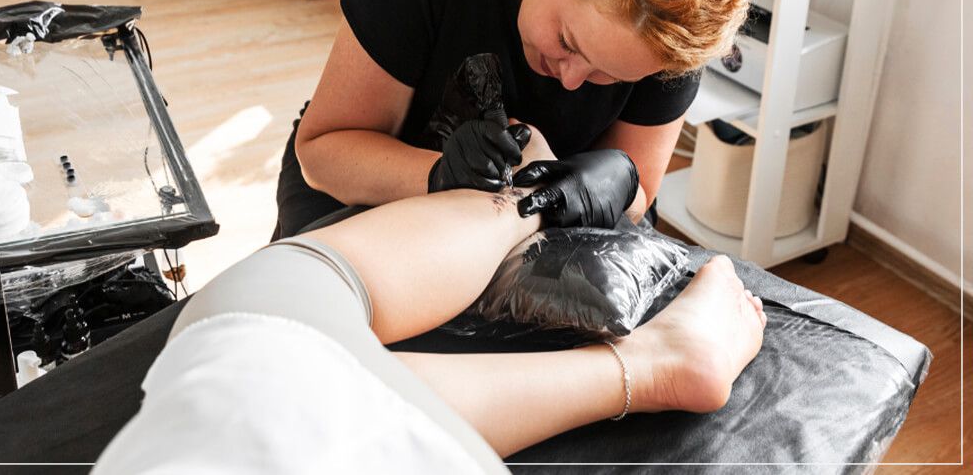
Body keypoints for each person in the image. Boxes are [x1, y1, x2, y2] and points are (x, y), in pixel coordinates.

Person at [95, 125, 767, 473]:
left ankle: (540, 205)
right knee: (281, 312)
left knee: (310, 355)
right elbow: (321, 152)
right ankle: (533, 203)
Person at [275, 0, 774, 238]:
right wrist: (440, 176)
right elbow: (322, 152)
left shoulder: (674, 29)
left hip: (522, 236)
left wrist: (609, 185)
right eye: (568, 40)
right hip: (364, 198)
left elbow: (638, 188)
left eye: (611, 76)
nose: (575, 80)